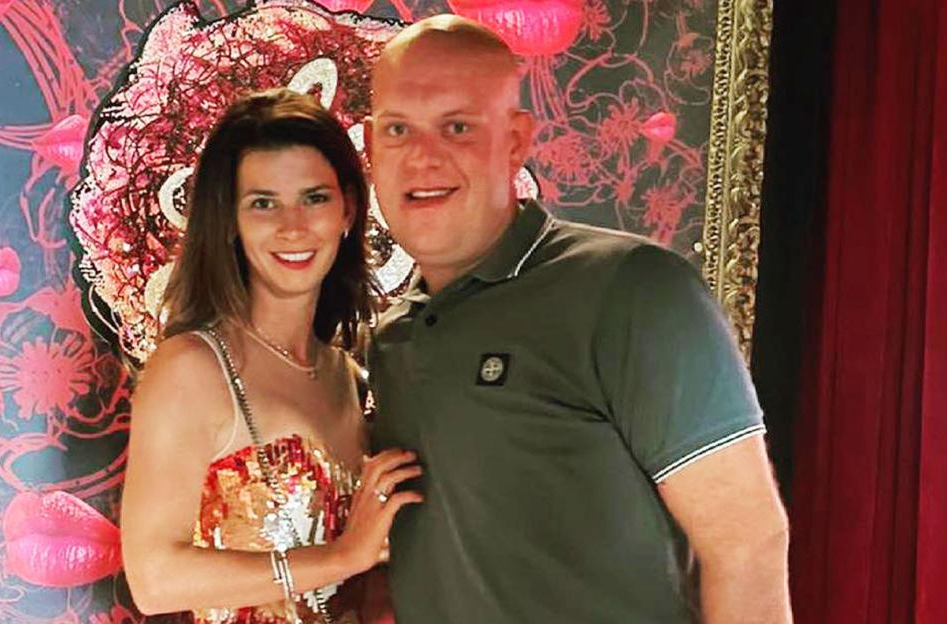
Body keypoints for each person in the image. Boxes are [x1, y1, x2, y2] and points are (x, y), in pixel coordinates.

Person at [363, 16, 792, 623]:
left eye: (457, 127)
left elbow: (747, 544)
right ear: (370, 145)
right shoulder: (391, 340)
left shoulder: (634, 291)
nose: (422, 157)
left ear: (516, 141)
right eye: (398, 129)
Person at [121, 88, 419, 624]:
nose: (293, 226)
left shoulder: (348, 376)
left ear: (348, 209)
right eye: (263, 203)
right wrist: (341, 557)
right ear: (229, 221)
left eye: (314, 198)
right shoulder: (191, 368)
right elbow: (154, 580)